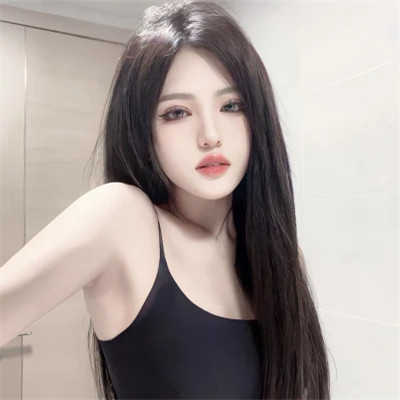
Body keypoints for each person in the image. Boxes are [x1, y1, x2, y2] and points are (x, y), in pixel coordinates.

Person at [0, 0, 331, 399]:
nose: (210, 135)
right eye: (176, 112)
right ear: (143, 129)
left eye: (231, 105)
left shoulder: (278, 254)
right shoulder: (122, 221)